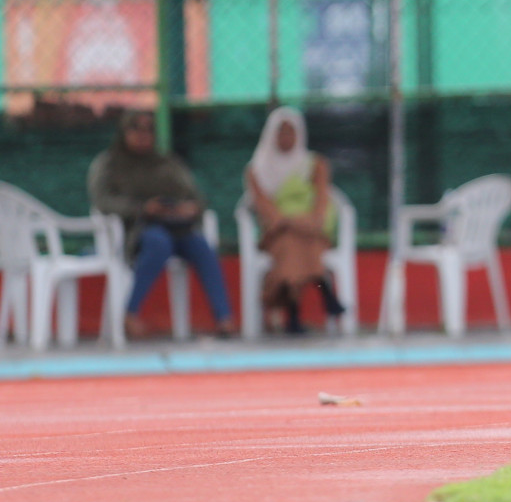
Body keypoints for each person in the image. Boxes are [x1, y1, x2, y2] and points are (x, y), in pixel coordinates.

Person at [88, 110, 235, 339]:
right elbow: (103, 201)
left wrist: (189, 208)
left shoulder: (167, 163)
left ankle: (223, 318)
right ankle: (130, 313)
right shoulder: (109, 164)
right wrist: (142, 208)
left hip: (178, 227)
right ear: (123, 132)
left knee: (201, 245)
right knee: (159, 242)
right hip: (134, 231)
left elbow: (197, 197)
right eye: (135, 128)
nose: (143, 135)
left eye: (148, 130)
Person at [245, 107, 345, 334]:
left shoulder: (315, 164)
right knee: (292, 243)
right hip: (277, 233)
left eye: (292, 132)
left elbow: (321, 204)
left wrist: (304, 222)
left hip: (311, 229)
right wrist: (292, 222)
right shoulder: (256, 170)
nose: (286, 138)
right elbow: (266, 209)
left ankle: (293, 315)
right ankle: (324, 290)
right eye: (281, 132)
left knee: (298, 243)